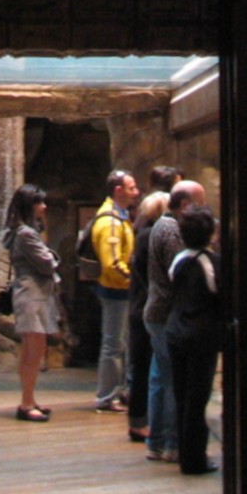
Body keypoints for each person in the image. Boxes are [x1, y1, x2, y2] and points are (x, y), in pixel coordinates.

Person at [142, 179, 206, 462]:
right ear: (184, 205)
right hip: (166, 313)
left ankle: (156, 441)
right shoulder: (171, 229)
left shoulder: (161, 225)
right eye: (199, 203)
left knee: (160, 377)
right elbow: (179, 273)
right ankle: (171, 443)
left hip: (157, 310)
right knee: (171, 381)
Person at [165, 204, 225, 476]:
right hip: (202, 335)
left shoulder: (178, 260)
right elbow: (218, 293)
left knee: (182, 394)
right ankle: (195, 459)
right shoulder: (210, 262)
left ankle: (184, 454)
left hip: (176, 331)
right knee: (198, 398)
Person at [126, 174, 176, 443]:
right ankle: (146, 425)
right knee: (150, 368)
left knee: (145, 367)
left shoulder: (141, 234)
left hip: (140, 306)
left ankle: (145, 424)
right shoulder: (153, 237)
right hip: (151, 307)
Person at [6, 184, 61, 423]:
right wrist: (53, 257)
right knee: (33, 351)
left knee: (34, 350)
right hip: (32, 296)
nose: (44, 207)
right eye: (39, 202)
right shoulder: (26, 233)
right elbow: (47, 262)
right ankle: (26, 403)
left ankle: (29, 399)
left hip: (34, 295)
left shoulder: (24, 231)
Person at [91, 168, 140, 412]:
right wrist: (134, 280)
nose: (136, 192)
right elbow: (112, 264)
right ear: (118, 190)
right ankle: (106, 397)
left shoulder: (119, 216)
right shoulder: (110, 222)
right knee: (113, 346)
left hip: (121, 291)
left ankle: (116, 393)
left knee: (119, 344)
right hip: (116, 291)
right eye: (131, 188)